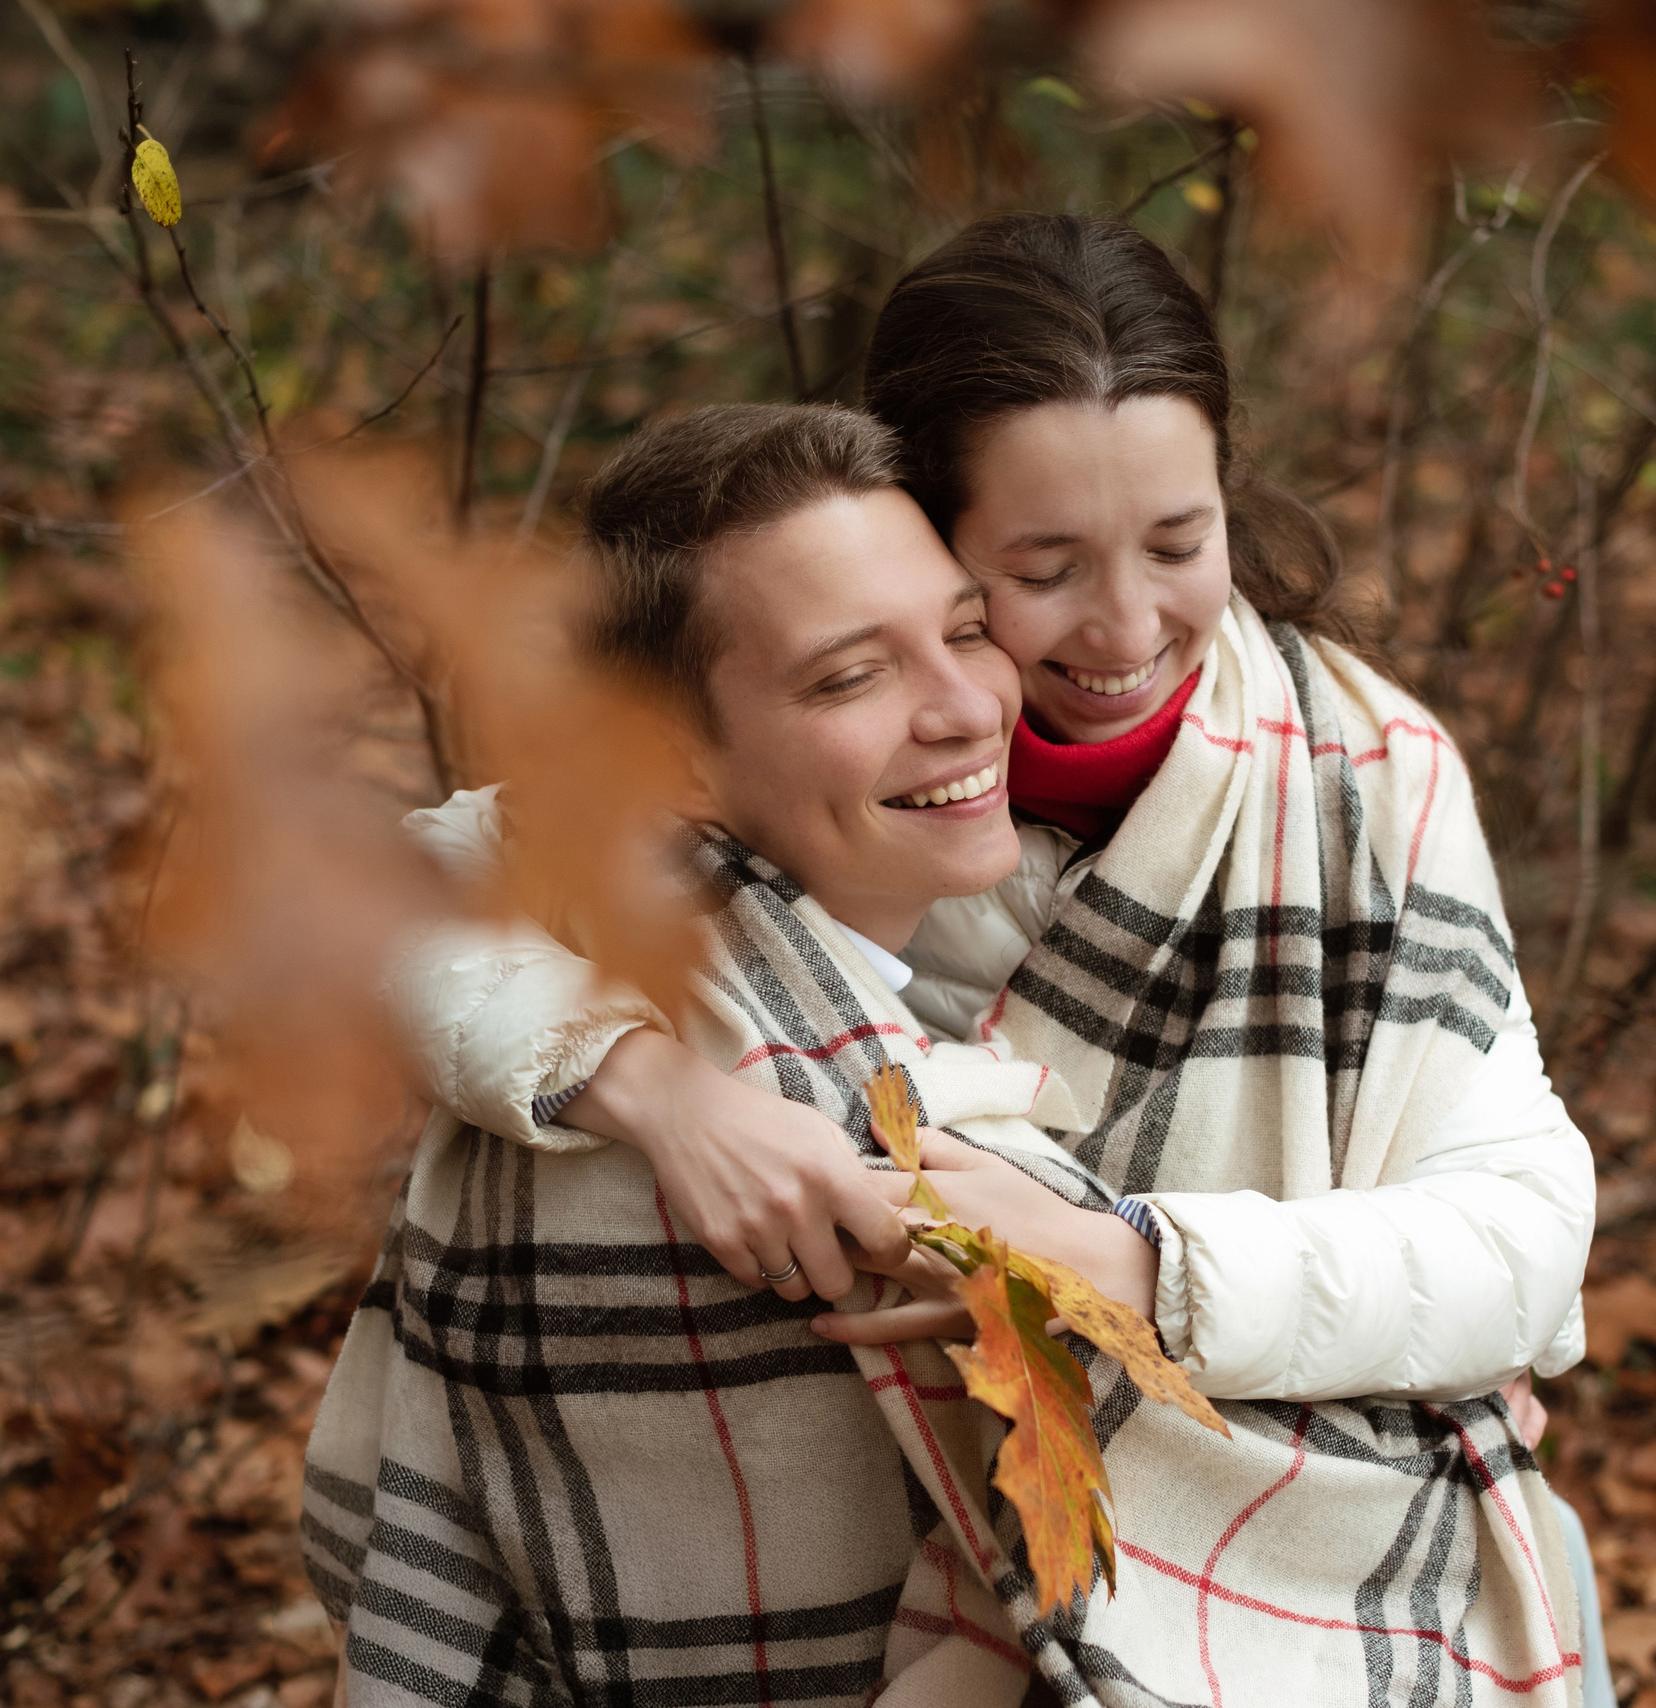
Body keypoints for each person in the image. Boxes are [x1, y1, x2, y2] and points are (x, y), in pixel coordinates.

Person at [378, 216, 1599, 1706]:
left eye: (1176, 541)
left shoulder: (1359, 783)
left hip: (1279, 1569)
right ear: (918, 524)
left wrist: (1133, 1266)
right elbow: (394, 894)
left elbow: (1520, 1253)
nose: (1127, 626)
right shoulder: (816, 772)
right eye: (1040, 567)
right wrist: (652, 1090)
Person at [305, 404, 1134, 1708]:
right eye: (851, 675)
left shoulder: (998, 907)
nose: (966, 706)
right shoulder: (809, 1127)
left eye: (967, 631)